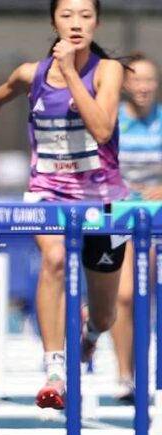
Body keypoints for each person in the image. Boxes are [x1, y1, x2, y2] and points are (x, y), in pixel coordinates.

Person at [0, 0, 127, 409]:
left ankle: (89, 335)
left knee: (106, 316)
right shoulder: (29, 74)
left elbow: (103, 130)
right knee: (53, 260)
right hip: (46, 192)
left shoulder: (108, 71)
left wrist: (70, 74)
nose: (76, 24)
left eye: (86, 16)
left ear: (98, 23)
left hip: (102, 199)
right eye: (67, 15)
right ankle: (54, 370)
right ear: (53, 20)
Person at [110, 52, 162, 403]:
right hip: (121, 217)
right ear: (125, 84)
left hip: (159, 219)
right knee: (125, 296)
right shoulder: (111, 120)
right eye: (137, 79)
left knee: (153, 295)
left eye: (149, 80)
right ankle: (125, 374)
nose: (143, 87)